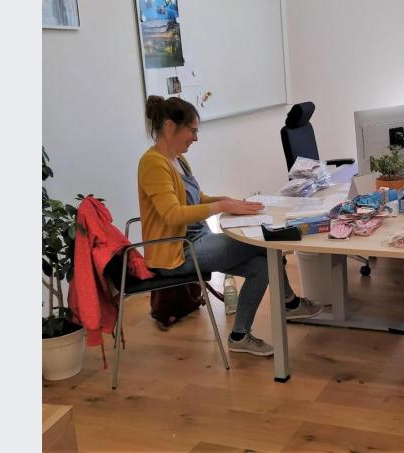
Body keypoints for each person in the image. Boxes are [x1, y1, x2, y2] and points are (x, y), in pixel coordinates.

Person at [138, 95, 323, 356]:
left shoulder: (177, 159)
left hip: (197, 239)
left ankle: (239, 336)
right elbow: (171, 215)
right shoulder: (153, 164)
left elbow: (197, 198)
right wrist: (221, 207)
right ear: (170, 126)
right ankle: (290, 304)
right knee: (266, 243)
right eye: (192, 130)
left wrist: (228, 201)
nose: (195, 138)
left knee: (262, 267)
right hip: (178, 251)